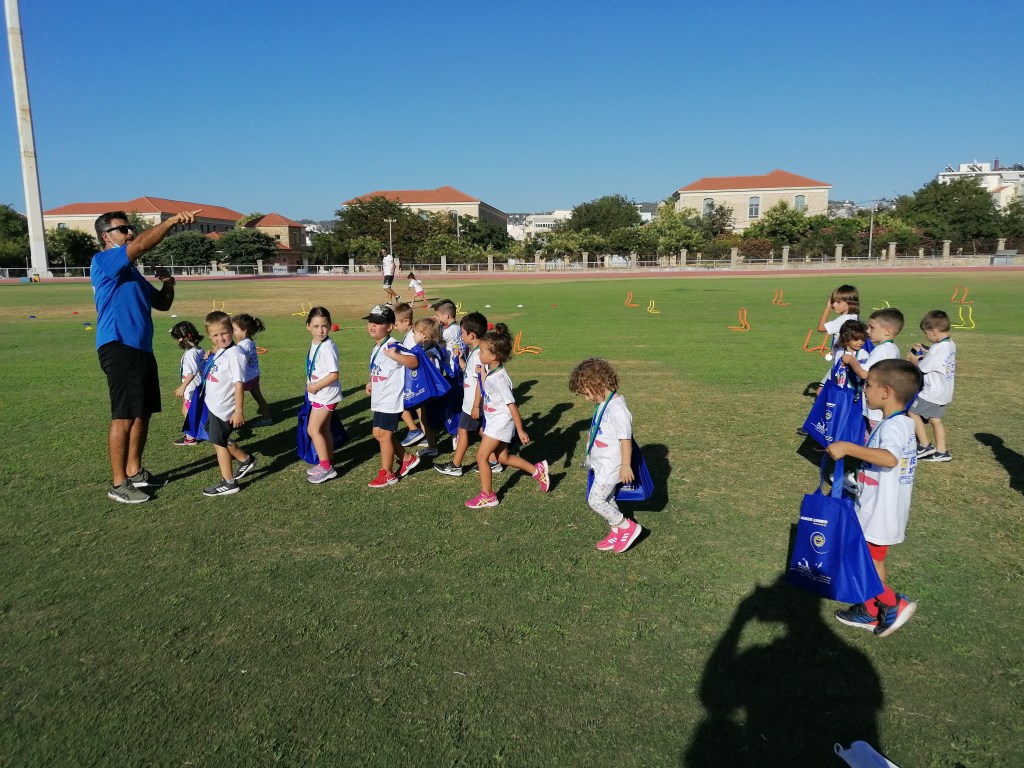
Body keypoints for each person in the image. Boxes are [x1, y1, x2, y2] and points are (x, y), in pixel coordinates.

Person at [91, 207, 200, 504]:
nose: (130, 232)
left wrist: (168, 284)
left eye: (130, 228)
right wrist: (172, 221)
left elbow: (162, 304)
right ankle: (118, 483)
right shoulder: (104, 260)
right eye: (122, 229)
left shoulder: (131, 273)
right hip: (118, 345)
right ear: (106, 236)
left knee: (142, 413)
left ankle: (134, 471)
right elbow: (141, 245)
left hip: (140, 348)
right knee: (124, 415)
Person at [827, 359, 923, 637]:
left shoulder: (893, 427)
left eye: (868, 385)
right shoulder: (903, 422)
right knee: (870, 561)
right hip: (881, 507)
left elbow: (889, 458)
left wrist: (848, 448)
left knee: (865, 563)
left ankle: (893, 604)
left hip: (880, 512)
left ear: (885, 392)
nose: (864, 389)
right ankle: (870, 610)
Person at [465, 324, 550, 508]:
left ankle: (488, 495)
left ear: (493, 356)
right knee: (503, 458)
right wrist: (482, 374)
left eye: (482, 352)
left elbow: (512, 405)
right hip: (495, 421)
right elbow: (488, 389)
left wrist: (520, 430)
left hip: (500, 423)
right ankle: (537, 471)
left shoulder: (500, 379)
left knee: (481, 457)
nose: (479, 354)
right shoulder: (492, 371)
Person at [569, 358, 642, 553]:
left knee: (596, 500)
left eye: (587, 393)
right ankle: (616, 532)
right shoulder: (604, 403)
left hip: (612, 466)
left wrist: (625, 466)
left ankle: (627, 526)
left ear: (598, 383)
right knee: (608, 499)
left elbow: (625, 440)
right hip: (602, 464)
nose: (587, 398)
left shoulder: (618, 409)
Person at [200, 311, 259, 497]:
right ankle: (245, 459)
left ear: (232, 331)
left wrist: (238, 411)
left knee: (219, 444)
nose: (220, 338)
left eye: (224, 333)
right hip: (213, 405)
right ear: (209, 336)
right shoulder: (222, 351)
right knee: (219, 439)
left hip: (224, 408)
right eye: (215, 335)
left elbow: (238, 383)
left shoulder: (235, 354)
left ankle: (229, 482)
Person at [434, 311, 499, 477]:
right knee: (482, 431)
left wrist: (476, 405)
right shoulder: (475, 351)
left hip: (473, 404)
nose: (461, 336)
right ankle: (494, 461)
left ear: (471, 335)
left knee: (462, 431)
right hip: (471, 403)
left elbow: (480, 382)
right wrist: (461, 360)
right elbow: (469, 373)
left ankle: (456, 465)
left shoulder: (479, 355)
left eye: (462, 333)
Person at [365, 304, 420, 487]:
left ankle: (387, 473)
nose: (373, 325)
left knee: (384, 435)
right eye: (371, 321)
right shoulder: (377, 346)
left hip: (390, 399)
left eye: (378, 322)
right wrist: (372, 383)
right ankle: (407, 459)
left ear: (389, 327)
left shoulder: (393, 345)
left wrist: (395, 356)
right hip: (380, 398)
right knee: (378, 434)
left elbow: (414, 361)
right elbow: (380, 369)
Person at [841, 308, 904, 431]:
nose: (868, 331)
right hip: (886, 401)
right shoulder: (893, 348)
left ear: (887, 331)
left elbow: (864, 374)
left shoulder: (881, 350)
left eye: (872, 327)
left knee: (874, 435)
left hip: (877, 405)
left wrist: (851, 360)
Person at [908, 310, 957, 463]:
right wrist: (926, 348)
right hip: (945, 393)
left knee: (912, 412)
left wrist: (914, 360)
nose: (926, 336)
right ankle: (942, 452)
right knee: (935, 420)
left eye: (926, 333)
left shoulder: (937, 349)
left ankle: (924, 446)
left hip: (932, 392)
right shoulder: (950, 344)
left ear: (933, 331)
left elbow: (922, 368)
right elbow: (937, 355)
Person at [304, 306, 342, 484]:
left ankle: (326, 467)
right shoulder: (316, 343)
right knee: (324, 428)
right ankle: (328, 461)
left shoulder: (327, 347)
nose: (320, 330)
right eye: (316, 326)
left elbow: (334, 374)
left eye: (324, 326)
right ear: (308, 326)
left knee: (313, 429)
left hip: (326, 395)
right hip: (320, 393)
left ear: (330, 326)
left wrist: (315, 386)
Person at [231, 313, 273, 426]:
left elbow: (234, 356)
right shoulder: (250, 341)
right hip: (254, 375)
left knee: (232, 397)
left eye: (235, 330)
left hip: (246, 377)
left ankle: (232, 419)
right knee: (259, 397)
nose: (233, 332)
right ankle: (267, 418)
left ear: (244, 330)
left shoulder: (243, 345)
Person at [170, 320, 205, 446]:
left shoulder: (190, 354)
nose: (176, 341)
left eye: (177, 339)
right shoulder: (199, 349)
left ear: (183, 339)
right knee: (187, 409)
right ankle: (193, 433)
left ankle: (191, 437)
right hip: (197, 386)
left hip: (191, 388)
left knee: (188, 411)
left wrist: (182, 387)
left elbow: (192, 372)